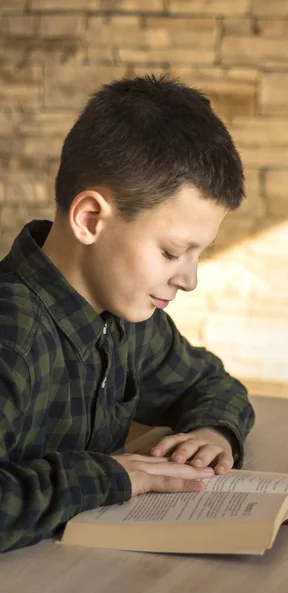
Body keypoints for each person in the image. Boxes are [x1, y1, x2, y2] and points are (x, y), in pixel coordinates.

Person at [0, 75, 255, 552]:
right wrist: (107, 476)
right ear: (90, 219)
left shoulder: (129, 321)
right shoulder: (11, 335)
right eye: (172, 251)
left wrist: (212, 429)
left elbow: (212, 383)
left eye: (198, 254)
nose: (190, 279)